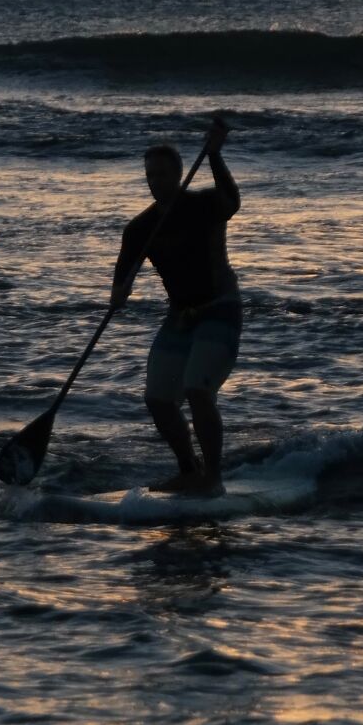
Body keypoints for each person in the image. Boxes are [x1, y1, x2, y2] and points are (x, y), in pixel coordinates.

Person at [111, 114, 241, 495]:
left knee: (198, 390)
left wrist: (215, 155)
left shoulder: (202, 206)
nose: (156, 182)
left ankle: (212, 479)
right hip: (180, 317)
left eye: (163, 175)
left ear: (178, 173)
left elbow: (232, 201)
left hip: (220, 308)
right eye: (150, 176)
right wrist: (118, 294)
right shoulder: (140, 228)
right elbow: (120, 284)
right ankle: (189, 470)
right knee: (157, 399)